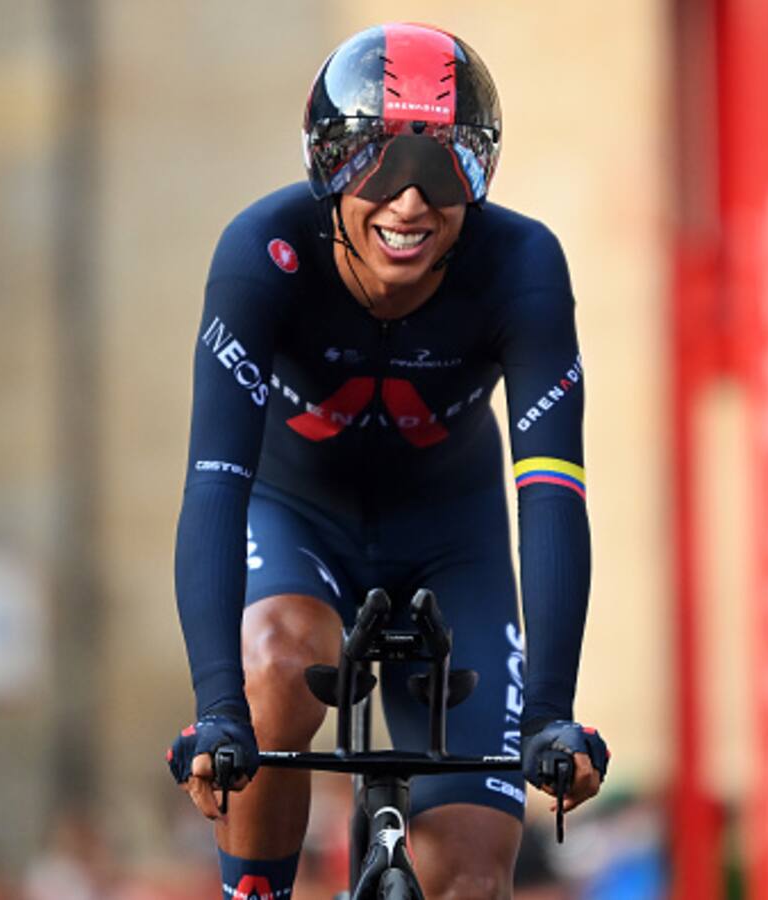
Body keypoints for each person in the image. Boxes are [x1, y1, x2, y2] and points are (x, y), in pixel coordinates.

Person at [167, 22, 609, 899]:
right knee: (283, 666)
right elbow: (213, 488)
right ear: (329, 168)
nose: (410, 204)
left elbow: (553, 494)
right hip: (296, 518)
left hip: (455, 542)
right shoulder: (263, 255)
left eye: (443, 172)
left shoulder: (521, 266)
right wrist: (219, 708)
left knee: (472, 876)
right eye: (380, 169)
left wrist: (551, 717)